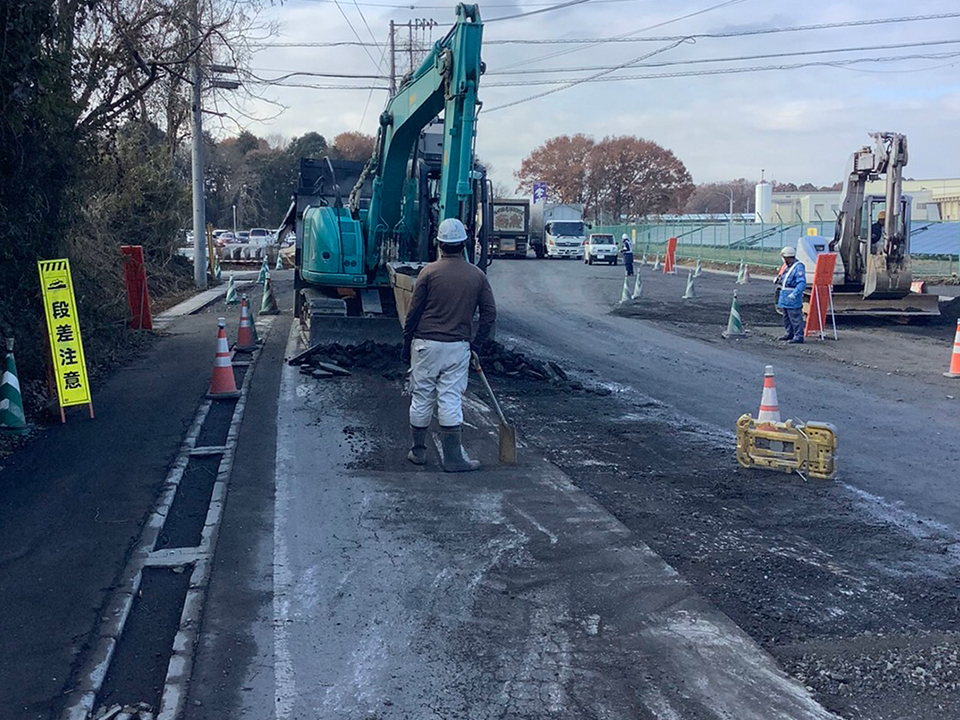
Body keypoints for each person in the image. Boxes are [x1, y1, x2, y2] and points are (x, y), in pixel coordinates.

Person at [402, 218, 497, 472]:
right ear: (464, 244)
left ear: (440, 244)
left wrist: (406, 342)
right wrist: (477, 345)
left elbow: (413, 313)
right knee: (450, 399)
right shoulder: (477, 275)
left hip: (425, 345)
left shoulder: (428, 273)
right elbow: (489, 314)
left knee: (422, 397)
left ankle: (418, 451)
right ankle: (453, 458)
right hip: (457, 347)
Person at [776, 246, 806, 343]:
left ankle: (798, 336)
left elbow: (801, 283)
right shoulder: (787, 267)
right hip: (785, 296)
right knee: (786, 317)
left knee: (795, 317)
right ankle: (789, 333)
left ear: (787, 257)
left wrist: (795, 293)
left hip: (792, 296)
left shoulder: (798, 267)